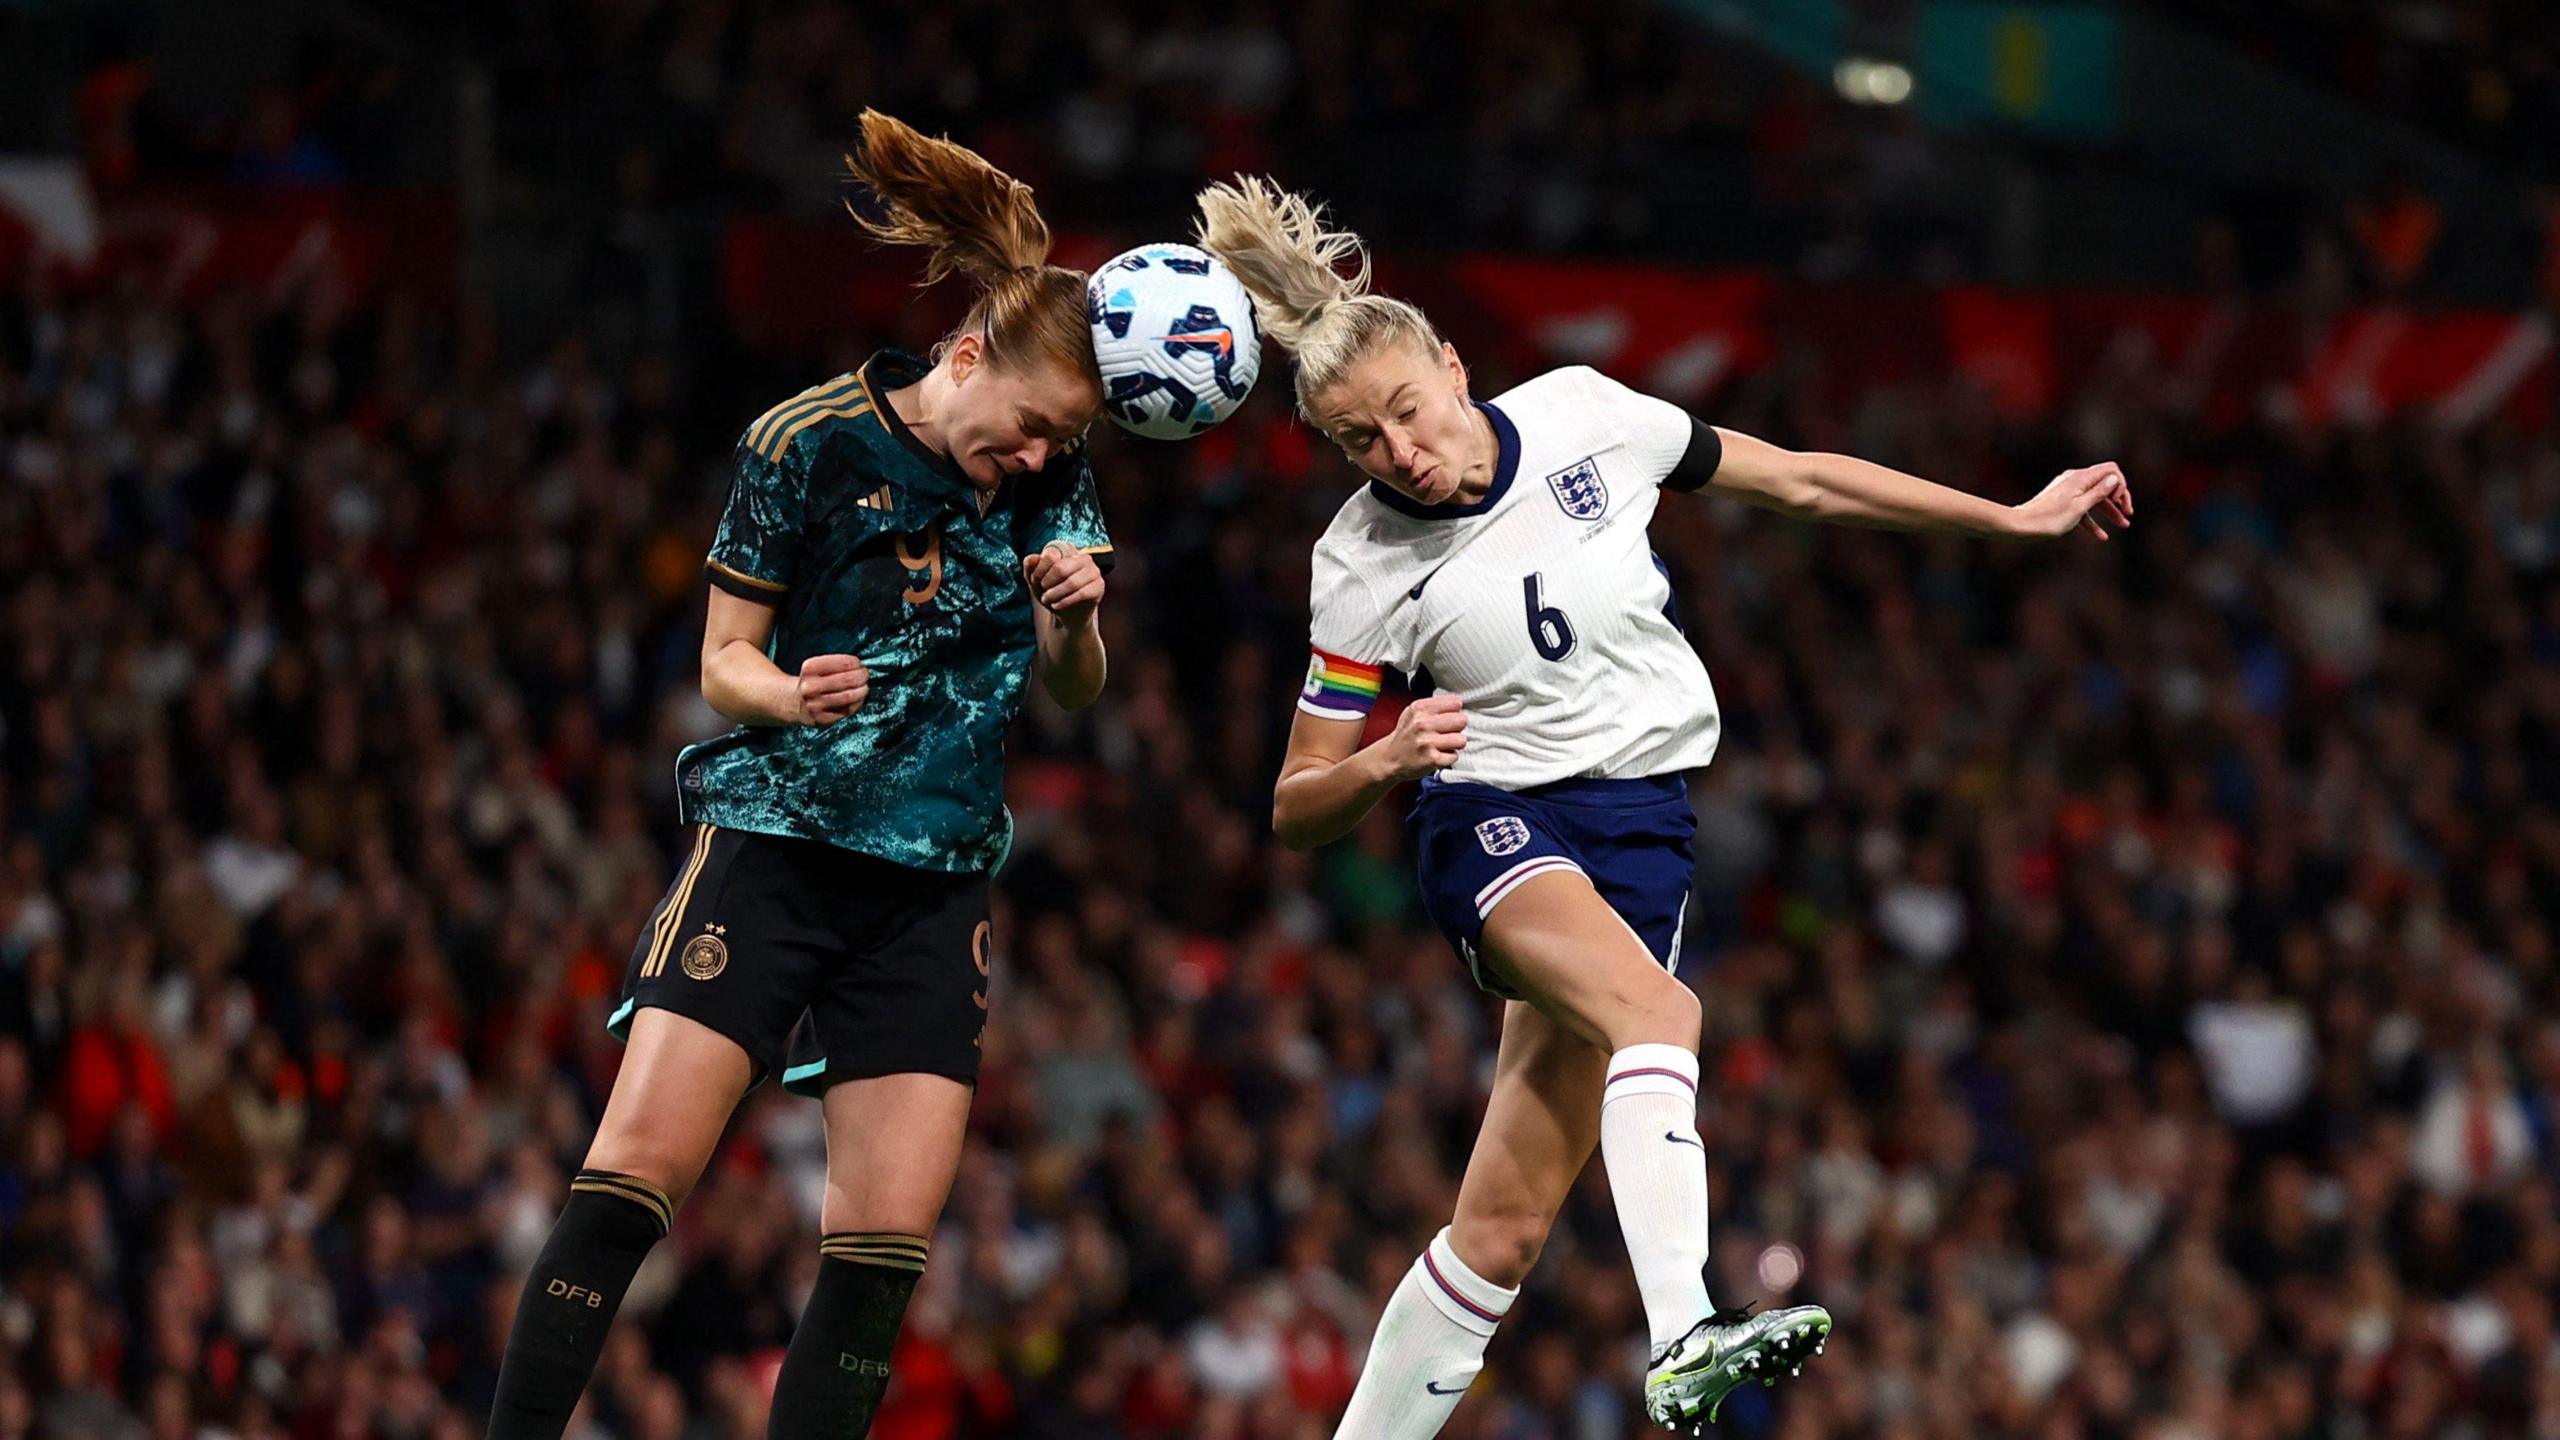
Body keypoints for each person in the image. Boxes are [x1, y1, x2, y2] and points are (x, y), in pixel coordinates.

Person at [1196, 176, 2132, 1434]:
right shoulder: (1357, 564)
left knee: (1505, 1230)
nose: (1400, 454)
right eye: (1363, 442)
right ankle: (1683, 1328)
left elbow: (1799, 480)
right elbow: (1297, 803)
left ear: (1453, 366)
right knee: (1661, 1011)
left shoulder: (1586, 417)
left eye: (1407, 414)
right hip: (1490, 817)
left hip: (1642, 830)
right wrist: (1383, 761)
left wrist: (2007, 520)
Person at [485, 111, 1115, 1439]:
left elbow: (1073, 691)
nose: (1042, 460)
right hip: (775, 845)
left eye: (1062, 442)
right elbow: (724, 658)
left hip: (933, 886)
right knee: (631, 1181)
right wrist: (787, 688)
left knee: (881, 1260)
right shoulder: (807, 441)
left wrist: (1078, 618)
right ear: (963, 356)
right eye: (1032, 429)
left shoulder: (1056, 486)